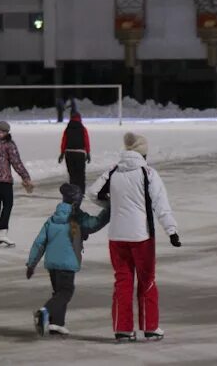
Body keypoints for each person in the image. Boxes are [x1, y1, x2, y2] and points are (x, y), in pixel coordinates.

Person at [88, 132, 181, 343]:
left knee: (122, 281)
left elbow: (93, 193)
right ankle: (150, 327)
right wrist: (172, 231)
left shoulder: (113, 171)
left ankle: (123, 329)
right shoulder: (148, 173)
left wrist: (113, 205)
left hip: (117, 237)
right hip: (142, 236)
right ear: (143, 153)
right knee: (147, 280)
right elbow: (160, 204)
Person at [26, 183, 110, 336]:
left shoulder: (52, 219)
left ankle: (56, 324)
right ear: (76, 201)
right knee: (66, 292)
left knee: (59, 292)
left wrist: (31, 264)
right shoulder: (78, 218)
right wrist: (110, 210)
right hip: (67, 263)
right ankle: (44, 312)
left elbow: (39, 242)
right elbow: (95, 223)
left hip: (52, 264)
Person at [0, 121, 35, 247]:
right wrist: (25, 177)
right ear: (6, 131)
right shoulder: (8, 143)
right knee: (8, 204)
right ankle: (3, 233)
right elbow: (16, 162)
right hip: (3, 179)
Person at [58, 104, 91, 193]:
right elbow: (86, 141)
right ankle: (81, 191)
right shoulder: (82, 128)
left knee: (72, 174)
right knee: (80, 174)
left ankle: (73, 191)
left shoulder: (67, 129)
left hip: (69, 153)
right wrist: (88, 153)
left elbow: (64, 141)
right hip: (80, 153)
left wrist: (62, 153)